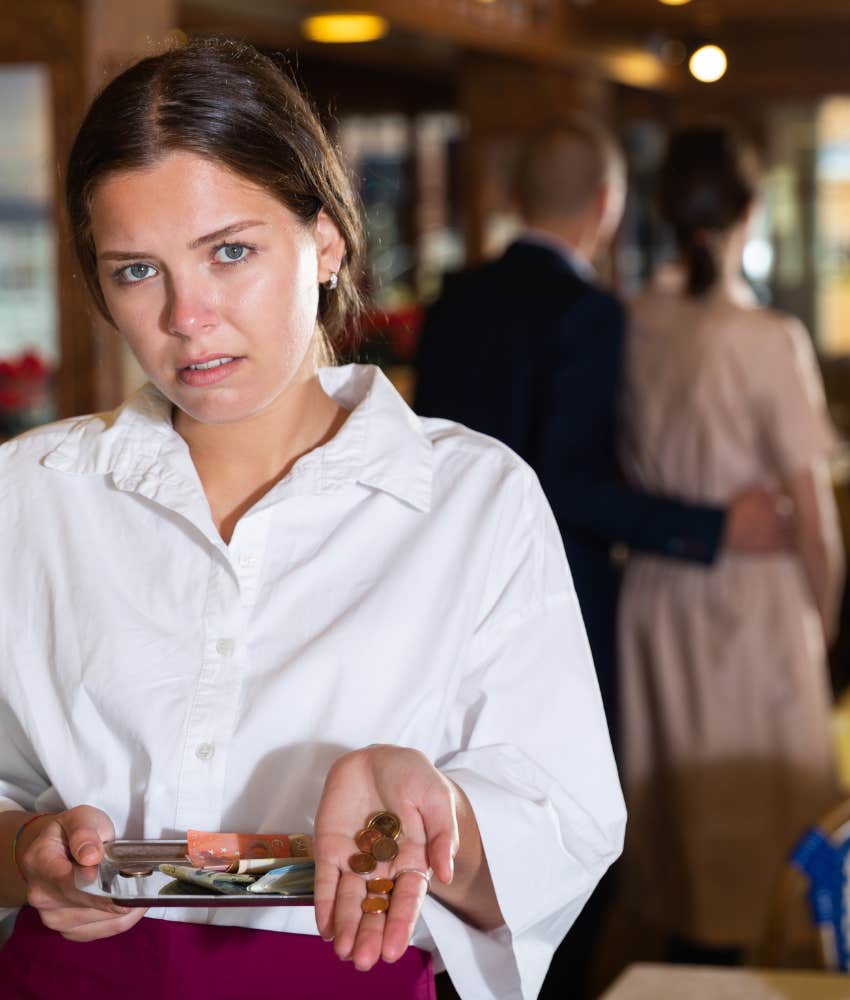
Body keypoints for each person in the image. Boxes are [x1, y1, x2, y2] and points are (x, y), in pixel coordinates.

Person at [0, 38, 624, 1000]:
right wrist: (26, 852)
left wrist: (431, 817)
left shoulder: (471, 499)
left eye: (231, 252)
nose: (187, 316)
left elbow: (565, 829)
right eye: (136, 271)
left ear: (325, 242)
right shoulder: (30, 491)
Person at [414, 118, 788, 752]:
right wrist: (714, 527)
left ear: (516, 196)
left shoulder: (454, 300)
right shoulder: (589, 312)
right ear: (607, 203)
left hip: (446, 583)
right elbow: (570, 486)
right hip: (555, 595)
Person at [617, 125, 845, 964]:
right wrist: (824, 627)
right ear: (751, 209)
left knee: (683, 835)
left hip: (656, 593)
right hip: (752, 607)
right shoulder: (766, 338)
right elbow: (814, 521)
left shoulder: (635, 321)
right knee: (768, 842)